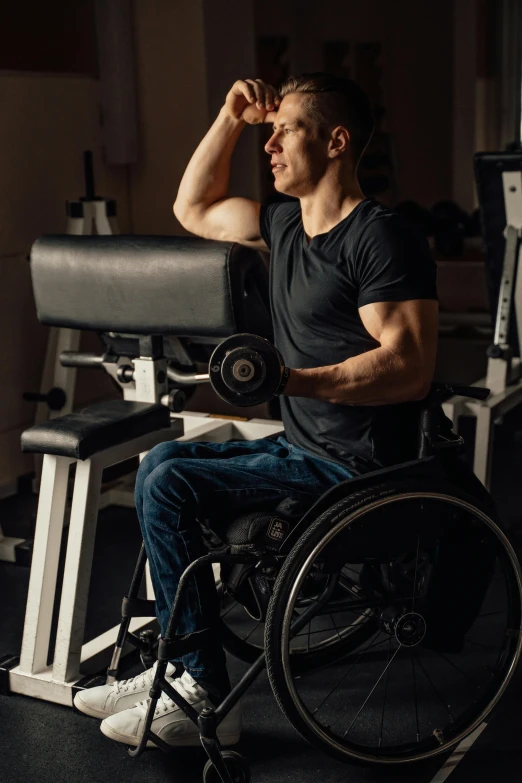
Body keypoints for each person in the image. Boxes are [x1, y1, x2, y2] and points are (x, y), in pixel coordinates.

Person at [74, 73, 438, 748]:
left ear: (336, 141)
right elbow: (192, 206)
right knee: (163, 461)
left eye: (285, 129)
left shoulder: (381, 239)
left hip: (356, 470)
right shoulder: (282, 223)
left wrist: (290, 378)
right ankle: (180, 664)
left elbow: (409, 368)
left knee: (165, 477)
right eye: (266, 132)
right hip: (299, 451)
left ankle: (206, 690)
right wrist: (228, 117)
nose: (267, 143)